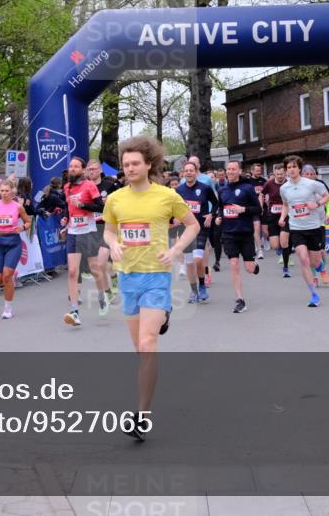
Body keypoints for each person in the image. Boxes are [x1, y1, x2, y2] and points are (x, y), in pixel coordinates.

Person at [102, 135, 199, 441]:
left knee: (147, 345)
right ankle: (163, 316)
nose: (129, 168)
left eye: (134, 163)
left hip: (156, 275)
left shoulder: (166, 196)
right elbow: (108, 231)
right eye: (125, 164)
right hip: (127, 277)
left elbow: (193, 225)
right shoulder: (115, 199)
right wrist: (114, 243)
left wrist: (175, 250)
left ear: (148, 164)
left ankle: (141, 415)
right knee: (139, 351)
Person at [60, 157, 109, 326]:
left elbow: (101, 207)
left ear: (82, 169)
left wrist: (82, 205)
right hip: (73, 233)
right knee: (73, 271)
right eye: (71, 166)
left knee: (95, 270)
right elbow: (68, 206)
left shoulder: (89, 185)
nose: (72, 169)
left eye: (76, 166)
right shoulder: (67, 187)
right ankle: (74, 311)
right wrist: (66, 217)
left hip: (88, 232)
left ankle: (102, 296)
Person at [280, 155, 329, 307]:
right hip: (296, 229)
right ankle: (314, 294)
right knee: (303, 258)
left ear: (299, 168)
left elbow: (328, 196)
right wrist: (282, 217)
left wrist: (318, 204)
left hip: (313, 227)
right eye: (288, 167)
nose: (291, 169)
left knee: (315, 261)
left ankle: (320, 267)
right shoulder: (284, 188)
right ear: (286, 170)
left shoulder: (311, 184)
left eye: (294, 166)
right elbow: (285, 205)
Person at [215, 160, 261, 313]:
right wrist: (219, 217)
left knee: (248, 268)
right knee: (234, 265)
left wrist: (244, 209)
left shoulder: (247, 188)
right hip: (228, 234)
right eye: (228, 169)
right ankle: (240, 300)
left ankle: (254, 266)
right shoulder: (222, 190)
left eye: (233, 169)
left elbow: (258, 209)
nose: (230, 172)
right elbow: (221, 208)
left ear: (239, 171)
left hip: (246, 233)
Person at [0, 179, 32, 319]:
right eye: (2, 190)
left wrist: (23, 227)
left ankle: (7, 308)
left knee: (6, 276)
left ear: (12, 191)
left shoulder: (18, 207)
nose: (4, 193)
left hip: (13, 243)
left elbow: (28, 221)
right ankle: (12, 275)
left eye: (7, 191)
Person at [176, 161, 219, 303]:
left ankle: (202, 286)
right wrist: (174, 219)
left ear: (196, 172)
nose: (189, 173)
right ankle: (194, 291)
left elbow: (216, 203)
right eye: (186, 170)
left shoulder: (205, 188)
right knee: (189, 262)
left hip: (200, 227)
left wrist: (211, 214)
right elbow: (173, 208)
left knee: (198, 259)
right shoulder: (179, 190)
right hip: (185, 229)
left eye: (191, 170)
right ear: (183, 173)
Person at [86, 159, 120, 305]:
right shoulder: (85, 187)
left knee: (101, 262)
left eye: (94, 169)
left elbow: (119, 203)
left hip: (107, 228)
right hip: (90, 227)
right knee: (98, 265)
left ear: (100, 170)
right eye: (89, 169)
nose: (91, 171)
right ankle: (109, 286)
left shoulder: (109, 185)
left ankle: (108, 288)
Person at [302, 164, 329, 286]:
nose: (310, 176)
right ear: (303, 175)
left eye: (312, 174)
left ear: (315, 175)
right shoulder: (299, 187)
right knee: (310, 254)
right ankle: (314, 276)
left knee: (321, 252)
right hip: (306, 224)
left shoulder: (320, 185)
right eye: (307, 174)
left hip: (320, 223)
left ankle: (323, 270)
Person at [262, 163, 293, 277]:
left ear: (285, 173)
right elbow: (262, 193)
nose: (280, 176)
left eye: (281, 174)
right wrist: (261, 204)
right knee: (275, 245)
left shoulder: (289, 183)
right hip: (273, 215)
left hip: (286, 215)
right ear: (274, 173)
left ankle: (285, 268)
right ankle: (283, 252)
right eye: (277, 174)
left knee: (284, 242)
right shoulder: (269, 183)